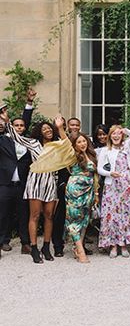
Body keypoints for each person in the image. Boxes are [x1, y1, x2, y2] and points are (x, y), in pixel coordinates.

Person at [2, 103, 67, 264]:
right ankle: (34, 248)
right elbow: (16, 136)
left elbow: (68, 148)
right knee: (35, 215)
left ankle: (46, 246)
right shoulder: (33, 144)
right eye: (44, 129)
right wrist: (7, 120)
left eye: (50, 128)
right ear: (39, 132)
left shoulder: (57, 146)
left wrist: (60, 128)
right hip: (36, 181)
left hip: (50, 182)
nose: (48, 130)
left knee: (49, 216)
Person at [97, 120, 130, 258]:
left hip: (126, 183)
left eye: (118, 133)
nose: (116, 136)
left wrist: (125, 130)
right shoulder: (105, 150)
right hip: (112, 185)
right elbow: (99, 169)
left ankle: (124, 244)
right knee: (112, 214)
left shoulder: (127, 146)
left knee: (125, 213)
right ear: (109, 136)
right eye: (113, 134)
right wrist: (110, 173)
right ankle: (113, 245)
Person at [0, 101, 32, 255]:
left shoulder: (28, 142)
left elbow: (27, 119)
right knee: (3, 214)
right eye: (16, 125)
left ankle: (25, 243)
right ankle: (3, 241)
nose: (19, 127)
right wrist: (4, 117)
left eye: (22, 125)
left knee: (23, 214)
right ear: (11, 126)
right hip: (5, 184)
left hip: (22, 185)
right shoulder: (3, 140)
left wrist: (29, 104)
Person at [65, 132, 98, 264]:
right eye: (78, 142)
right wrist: (61, 128)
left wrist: (96, 193)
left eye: (84, 141)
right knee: (75, 219)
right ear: (74, 144)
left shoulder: (91, 154)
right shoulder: (72, 155)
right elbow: (65, 142)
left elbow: (95, 175)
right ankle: (81, 252)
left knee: (85, 219)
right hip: (75, 190)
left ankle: (77, 248)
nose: (82, 144)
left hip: (88, 190)